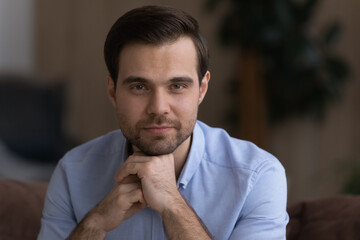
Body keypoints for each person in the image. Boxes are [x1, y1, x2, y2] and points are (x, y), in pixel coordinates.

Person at [38, 5, 288, 240]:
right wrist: (95, 223)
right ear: (113, 92)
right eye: (139, 86)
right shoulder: (73, 172)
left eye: (177, 86)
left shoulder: (258, 176)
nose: (158, 107)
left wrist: (172, 203)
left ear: (201, 89)